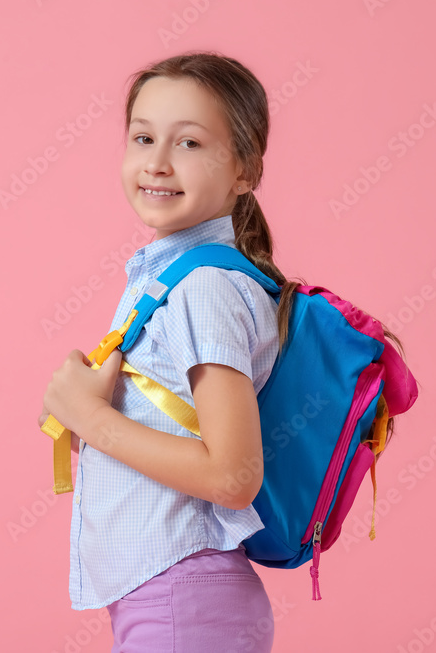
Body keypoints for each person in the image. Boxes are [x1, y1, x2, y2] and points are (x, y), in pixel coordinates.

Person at [39, 52, 288, 652]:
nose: (156, 162)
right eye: (143, 137)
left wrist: (90, 419)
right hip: (170, 592)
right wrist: (89, 412)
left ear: (245, 171)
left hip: (183, 595)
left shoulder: (203, 289)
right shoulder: (169, 279)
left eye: (190, 144)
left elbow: (232, 476)